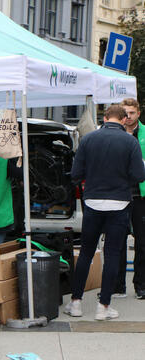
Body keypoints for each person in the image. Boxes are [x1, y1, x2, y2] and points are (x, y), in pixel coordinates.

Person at [66, 104, 145, 321]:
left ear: (105, 117)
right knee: (112, 255)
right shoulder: (130, 141)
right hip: (119, 203)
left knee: (86, 253)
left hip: (92, 202)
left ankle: (76, 303)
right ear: (121, 120)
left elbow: (75, 173)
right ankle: (104, 307)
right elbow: (139, 175)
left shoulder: (89, 139)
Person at [122, 98, 145, 300]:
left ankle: (141, 284)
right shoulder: (115, 133)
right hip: (119, 194)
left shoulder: (144, 134)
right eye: (125, 113)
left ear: (138, 113)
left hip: (140, 195)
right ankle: (116, 285)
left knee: (142, 240)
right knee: (117, 240)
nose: (128, 117)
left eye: (132, 113)